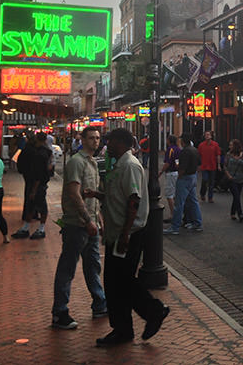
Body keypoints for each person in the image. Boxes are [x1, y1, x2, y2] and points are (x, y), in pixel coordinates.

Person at [89, 128, 169, 346]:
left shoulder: (130, 165)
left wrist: (125, 233)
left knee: (120, 281)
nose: (108, 146)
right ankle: (130, 325)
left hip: (129, 234)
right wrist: (96, 195)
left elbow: (133, 200)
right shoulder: (119, 164)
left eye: (110, 141)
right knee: (117, 282)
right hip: (118, 233)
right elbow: (119, 197)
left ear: (121, 142)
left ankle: (151, 312)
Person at [52, 127, 107, 330]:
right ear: (82, 139)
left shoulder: (92, 162)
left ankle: (100, 303)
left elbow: (89, 195)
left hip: (90, 223)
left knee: (93, 265)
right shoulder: (77, 162)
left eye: (98, 138)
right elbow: (74, 193)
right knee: (68, 267)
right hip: (77, 224)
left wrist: (98, 218)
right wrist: (87, 219)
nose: (95, 141)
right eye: (91, 138)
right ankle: (59, 311)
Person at [12, 132, 53, 239]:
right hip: (36, 182)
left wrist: (34, 189)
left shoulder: (41, 154)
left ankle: (40, 229)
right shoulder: (43, 152)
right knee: (32, 205)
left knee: (40, 204)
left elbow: (39, 174)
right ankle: (26, 228)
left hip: (37, 183)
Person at [164, 133, 203, 235]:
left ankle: (175, 227)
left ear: (183, 141)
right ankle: (197, 223)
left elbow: (182, 168)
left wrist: (179, 176)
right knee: (193, 201)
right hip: (193, 176)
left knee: (179, 203)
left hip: (185, 177)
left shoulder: (185, 152)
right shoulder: (195, 150)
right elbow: (199, 164)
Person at [225, 139, 243, 222]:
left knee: (237, 196)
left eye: (231, 145)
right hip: (231, 179)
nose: (229, 146)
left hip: (240, 178)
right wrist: (228, 175)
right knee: (236, 195)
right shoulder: (228, 155)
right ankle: (240, 213)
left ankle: (232, 212)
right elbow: (225, 166)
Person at [159, 135, 181, 220]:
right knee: (175, 193)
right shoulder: (178, 149)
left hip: (171, 173)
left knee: (169, 194)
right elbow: (177, 162)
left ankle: (173, 214)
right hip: (176, 172)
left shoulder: (170, 149)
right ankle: (177, 212)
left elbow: (167, 163)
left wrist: (161, 172)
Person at [198, 131, 221, 203]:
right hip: (204, 166)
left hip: (212, 165)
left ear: (211, 136)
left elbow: (218, 155)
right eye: (206, 135)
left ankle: (210, 197)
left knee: (211, 182)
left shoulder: (215, 145)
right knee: (204, 180)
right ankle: (202, 193)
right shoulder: (201, 145)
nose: (207, 136)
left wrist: (219, 165)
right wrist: (198, 165)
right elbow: (199, 156)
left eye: (208, 135)